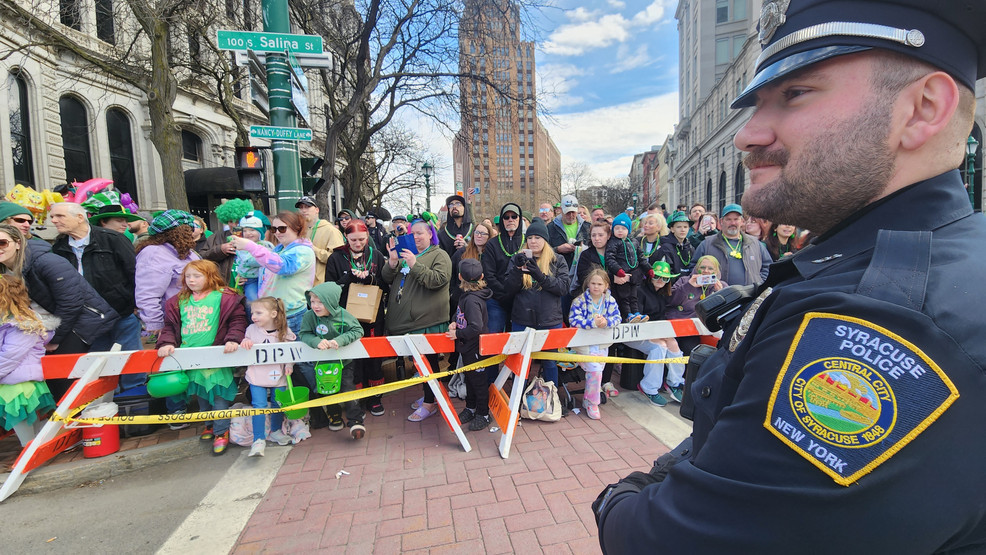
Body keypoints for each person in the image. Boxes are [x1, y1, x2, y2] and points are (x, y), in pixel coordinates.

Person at [595, 3, 986, 551]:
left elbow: (668, 541)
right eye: (756, 102)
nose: (746, 135)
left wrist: (620, 496)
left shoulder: (877, 318)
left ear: (922, 109)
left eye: (795, 94)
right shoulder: (925, 253)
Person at [156, 260, 247, 456]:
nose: (191, 280)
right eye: (188, 276)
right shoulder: (178, 300)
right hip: (191, 358)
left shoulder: (225, 297)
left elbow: (237, 321)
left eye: (197, 276)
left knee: (219, 395)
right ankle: (210, 424)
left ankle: (222, 431)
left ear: (210, 276)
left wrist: (233, 339)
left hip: (218, 356)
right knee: (201, 394)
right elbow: (171, 327)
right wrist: (166, 343)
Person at [49, 201, 143, 388]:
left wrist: (133, 305)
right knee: (97, 364)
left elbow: (135, 273)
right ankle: (105, 401)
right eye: (52, 216)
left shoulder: (112, 239)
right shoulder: (58, 246)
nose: (54, 221)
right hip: (86, 318)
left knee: (131, 360)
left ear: (79, 217)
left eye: (60, 216)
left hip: (120, 312)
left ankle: (136, 400)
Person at [382, 217, 451, 421]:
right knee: (420, 365)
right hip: (407, 323)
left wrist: (414, 264)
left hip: (426, 322)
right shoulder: (405, 255)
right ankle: (430, 396)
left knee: (428, 363)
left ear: (430, 234)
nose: (416, 237)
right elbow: (387, 279)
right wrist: (393, 262)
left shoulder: (439, 255)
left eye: (420, 233)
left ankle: (430, 403)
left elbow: (438, 280)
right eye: (413, 234)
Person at [324, 220, 389, 423]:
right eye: (353, 240)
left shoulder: (375, 255)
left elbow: (385, 285)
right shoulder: (336, 257)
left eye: (362, 239)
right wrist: (348, 278)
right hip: (347, 317)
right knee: (353, 360)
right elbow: (329, 289)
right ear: (346, 238)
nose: (358, 243)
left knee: (374, 357)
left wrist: (369, 279)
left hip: (373, 315)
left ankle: (375, 398)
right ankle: (357, 399)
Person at [505, 218, 569, 387]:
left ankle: (551, 398)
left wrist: (539, 275)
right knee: (521, 363)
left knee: (549, 362)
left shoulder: (558, 260)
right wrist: (517, 271)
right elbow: (508, 290)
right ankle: (518, 400)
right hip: (522, 319)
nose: (533, 241)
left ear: (545, 240)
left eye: (538, 237)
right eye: (530, 237)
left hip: (549, 320)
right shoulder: (517, 258)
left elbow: (563, 288)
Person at [230, 211, 316, 336]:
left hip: (291, 315)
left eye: (282, 228)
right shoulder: (279, 249)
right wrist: (247, 278)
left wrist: (250, 246)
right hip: (273, 314)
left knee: (292, 355)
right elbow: (269, 272)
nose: (277, 233)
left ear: (296, 228)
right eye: (274, 229)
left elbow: (281, 266)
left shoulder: (303, 251)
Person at [298, 281, 366, 439]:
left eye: (320, 302)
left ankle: (355, 420)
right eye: (313, 301)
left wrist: (340, 340)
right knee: (326, 388)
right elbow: (304, 333)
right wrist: (315, 342)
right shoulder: (309, 316)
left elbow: (357, 330)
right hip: (321, 362)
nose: (315, 305)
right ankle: (334, 416)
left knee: (348, 388)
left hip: (344, 362)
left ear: (331, 301)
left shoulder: (344, 315)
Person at [0, 275, 56, 446]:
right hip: (12, 379)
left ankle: (29, 448)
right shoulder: (10, 321)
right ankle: (34, 445)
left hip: (20, 382)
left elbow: (9, 357)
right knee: (27, 420)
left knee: (19, 413)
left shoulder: (23, 325)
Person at [240, 296, 296, 457]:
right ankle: (258, 439)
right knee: (259, 405)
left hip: (278, 375)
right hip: (256, 375)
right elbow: (246, 341)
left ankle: (276, 430)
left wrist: (289, 365)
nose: (254, 316)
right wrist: (245, 342)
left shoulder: (285, 331)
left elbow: (291, 351)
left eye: (258, 313)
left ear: (273, 314)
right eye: (252, 313)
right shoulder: (251, 330)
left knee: (277, 403)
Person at [625, 261, 683, 407]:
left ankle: (675, 383)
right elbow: (638, 320)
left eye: (665, 278)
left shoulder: (662, 294)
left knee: (673, 343)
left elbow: (661, 319)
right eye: (657, 276)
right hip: (632, 333)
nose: (660, 280)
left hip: (654, 332)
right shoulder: (640, 291)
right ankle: (649, 387)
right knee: (660, 346)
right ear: (650, 276)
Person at [568, 269, 621, 419]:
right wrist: (592, 323)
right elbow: (573, 320)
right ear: (588, 284)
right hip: (583, 347)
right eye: (593, 283)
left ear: (606, 285)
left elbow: (617, 317)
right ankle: (592, 402)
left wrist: (606, 322)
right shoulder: (579, 301)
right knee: (595, 371)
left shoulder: (610, 301)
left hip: (602, 345)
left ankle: (587, 398)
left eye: (599, 284)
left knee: (596, 373)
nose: (596, 287)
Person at [447, 258, 493, 431]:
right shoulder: (465, 297)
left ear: (459, 277)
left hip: (476, 349)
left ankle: (483, 414)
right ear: (481, 276)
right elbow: (460, 315)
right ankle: (470, 407)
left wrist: (457, 334)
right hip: (468, 348)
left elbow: (476, 326)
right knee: (470, 380)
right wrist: (454, 322)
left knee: (479, 383)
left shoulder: (472, 300)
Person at [692, 204, 771, 287]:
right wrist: (709, 286)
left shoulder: (755, 244)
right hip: (718, 296)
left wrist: (760, 283)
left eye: (736, 219)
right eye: (728, 219)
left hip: (751, 296)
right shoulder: (707, 244)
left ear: (742, 221)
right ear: (721, 221)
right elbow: (694, 268)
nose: (732, 223)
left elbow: (768, 267)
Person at [482, 203, 525, 334]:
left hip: (521, 299)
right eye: (506, 217)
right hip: (497, 299)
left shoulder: (527, 242)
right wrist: (504, 294)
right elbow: (489, 274)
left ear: (519, 219)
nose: (510, 219)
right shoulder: (492, 244)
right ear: (502, 220)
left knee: (519, 342)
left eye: (514, 216)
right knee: (494, 339)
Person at [198, 198, 253, 283]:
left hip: (249, 282)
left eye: (238, 221)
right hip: (225, 283)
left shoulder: (253, 236)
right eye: (231, 221)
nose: (234, 225)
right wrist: (220, 250)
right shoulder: (216, 237)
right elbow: (202, 258)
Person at [295, 196, 345, 287]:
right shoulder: (299, 231)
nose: (303, 210)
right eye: (301, 207)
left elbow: (338, 260)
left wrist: (313, 249)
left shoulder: (331, 231)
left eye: (307, 207)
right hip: (302, 284)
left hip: (322, 286)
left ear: (317, 210)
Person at [605, 213, 645, 322]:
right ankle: (628, 314)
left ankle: (636, 312)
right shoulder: (613, 242)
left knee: (633, 296)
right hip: (621, 274)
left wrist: (648, 268)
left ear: (628, 230)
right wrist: (618, 270)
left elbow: (641, 257)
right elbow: (610, 258)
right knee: (624, 297)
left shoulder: (634, 242)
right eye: (617, 228)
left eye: (623, 228)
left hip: (633, 274)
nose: (620, 231)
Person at [231, 211, 274, 309]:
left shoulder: (267, 245)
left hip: (267, 278)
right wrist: (267, 259)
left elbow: (276, 258)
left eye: (252, 230)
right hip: (251, 279)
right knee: (253, 301)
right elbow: (248, 260)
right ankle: (254, 321)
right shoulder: (242, 246)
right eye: (245, 231)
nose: (248, 233)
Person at [548, 194, 591, 269]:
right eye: (567, 212)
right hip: (559, 270)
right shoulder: (550, 228)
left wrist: (582, 249)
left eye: (573, 212)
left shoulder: (587, 227)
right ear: (561, 210)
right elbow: (544, 251)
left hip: (583, 269)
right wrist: (558, 249)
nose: (571, 215)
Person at [81, 191, 145, 235]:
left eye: (126, 221)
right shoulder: (93, 243)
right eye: (119, 221)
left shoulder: (123, 241)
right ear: (103, 222)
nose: (125, 225)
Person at [658, 211, 695, 281]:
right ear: (672, 229)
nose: (682, 230)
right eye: (679, 227)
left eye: (685, 227)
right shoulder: (666, 247)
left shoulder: (690, 247)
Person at [437, 194, 474, 259]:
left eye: (458, 204)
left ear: (465, 208)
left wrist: (466, 247)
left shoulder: (474, 230)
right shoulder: (442, 234)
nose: (454, 206)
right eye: (451, 205)